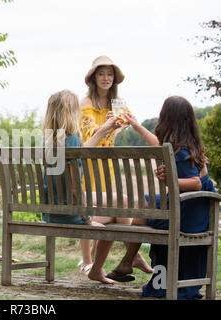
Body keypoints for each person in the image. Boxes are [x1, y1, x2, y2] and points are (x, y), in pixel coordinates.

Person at [94, 96, 214, 298]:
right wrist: (137, 126)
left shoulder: (182, 151)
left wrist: (169, 180)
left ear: (166, 118)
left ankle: (129, 260)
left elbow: (195, 183)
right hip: (192, 206)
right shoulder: (184, 145)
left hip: (190, 209)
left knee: (148, 203)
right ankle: (128, 261)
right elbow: (160, 145)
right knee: (149, 203)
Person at [77, 55, 147, 276]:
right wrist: (107, 127)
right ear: (93, 77)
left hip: (108, 162)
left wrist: (116, 128)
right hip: (90, 160)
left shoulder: (118, 102)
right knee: (89, 206)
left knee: (108, 205)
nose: (106, 78)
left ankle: (120, 258)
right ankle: (87, 261)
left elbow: (128, 120)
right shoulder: (86, 102)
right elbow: (89, 133)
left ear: (114, 78)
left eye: (109, 74)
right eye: (101, 73)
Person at [41, 89, 123, 271]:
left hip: (49, 212)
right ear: (71, 113)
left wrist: (105, 129)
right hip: (70, 214)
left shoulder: (48, 140)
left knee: (119, 203)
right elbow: (76, 188)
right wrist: (87, 219)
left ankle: (127, 260)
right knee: (120, 211)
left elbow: (82, 150)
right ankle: (103, 266)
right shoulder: (72, 140)